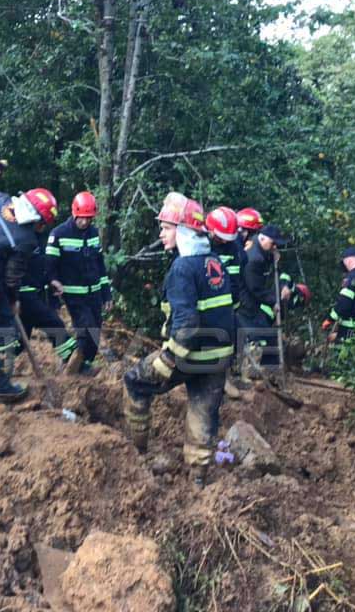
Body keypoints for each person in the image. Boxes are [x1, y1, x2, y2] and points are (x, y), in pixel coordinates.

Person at [123, 192, 235, 489]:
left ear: (183, 231)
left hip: (187, 356)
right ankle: (198, 480)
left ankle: (137, 454)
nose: (161, 233)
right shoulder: (215, 263)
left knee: (135, 382)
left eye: (167, 227)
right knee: (203, 413)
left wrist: (168, 360)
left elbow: (186, 325)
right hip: (218, 358)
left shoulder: (182, 268)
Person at [0, 186, 59, 402]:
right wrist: (12, 301)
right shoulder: (25, 239)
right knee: (5, 333)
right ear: (37, 220)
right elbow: (12, 279)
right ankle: (1, 386)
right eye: (42, 224)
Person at [46, 191, 112, 376]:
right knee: (86, 330)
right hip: (74, 295)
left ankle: (84, 366)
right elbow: (50, 265)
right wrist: (53, 283)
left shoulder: (93, 233)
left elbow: (100, 265)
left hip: (95, 294)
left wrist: (106, 293)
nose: (85, 222)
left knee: (95, 334)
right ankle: (71, 368)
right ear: (74, 213)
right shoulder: (59, 234)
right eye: (82, 218)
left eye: (88, 218)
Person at [18, 215, 77, 366]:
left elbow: (42, 268)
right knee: (54, 324)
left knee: (19, 341)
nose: (44, 225)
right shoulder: (20, 237)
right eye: (41, 222)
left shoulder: (41, 238)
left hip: (34, 293)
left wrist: (51, 282)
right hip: (23, 293)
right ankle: (73, 361)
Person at [237, 224, 291, 381]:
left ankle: (269, 374)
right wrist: (275, 300)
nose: (275, 247)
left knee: (270, 337)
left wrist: (274, 261)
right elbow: (256, 289)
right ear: (262, 237)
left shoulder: (262, 251)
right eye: (273, 243)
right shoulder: (254, 258)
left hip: (253, 304)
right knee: (258, 339)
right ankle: (253, 375)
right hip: (246, 306)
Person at [205, 205, 248, 398]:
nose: (224, 241)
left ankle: (225, 376)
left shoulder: (234, 248)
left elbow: (235, 279)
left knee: (232, 336)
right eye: (221, 237)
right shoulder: (200, 243)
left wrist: (234, 305)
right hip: (205, 300)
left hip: (227, 301)